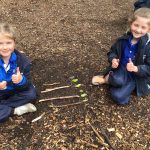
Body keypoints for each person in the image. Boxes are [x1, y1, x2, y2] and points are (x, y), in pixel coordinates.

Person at [92, 8, 150, 105]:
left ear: (148, 29)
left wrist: (136, 69)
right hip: (121, 70)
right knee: (116, 79)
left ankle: (126, 86)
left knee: (118, 97)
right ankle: (106, 79)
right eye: (136, 25)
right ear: (131, 23)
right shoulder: (123, 40)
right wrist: (113, 59)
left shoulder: (148, 46)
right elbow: (112, 52)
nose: (138, 30)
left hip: (136, 77)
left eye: (143, 27)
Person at [0, 23, 37, 122]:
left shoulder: (22, 61)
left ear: (14, 43)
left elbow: (26, 84)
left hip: (15, 91)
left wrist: (21, 81)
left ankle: (4, 108)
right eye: (0, 43)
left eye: (8, 43)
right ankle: (15, 110)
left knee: (31, 94)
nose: (4, 47)